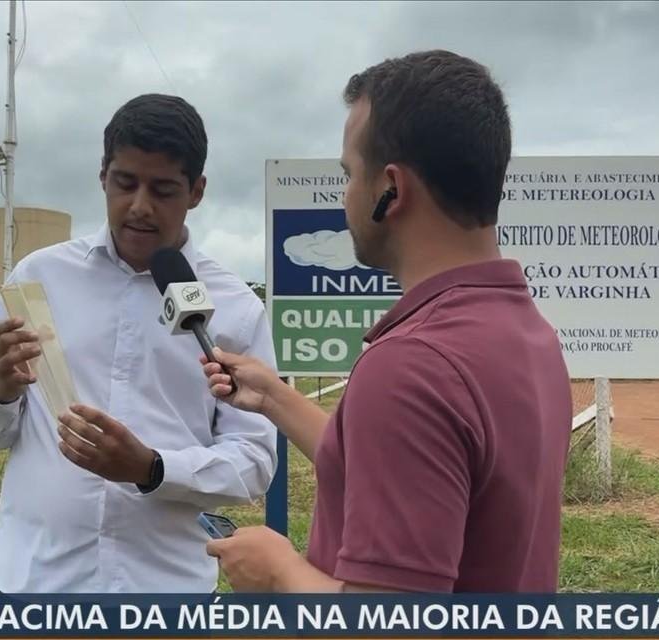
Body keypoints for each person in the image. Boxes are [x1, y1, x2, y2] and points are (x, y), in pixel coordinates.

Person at [202, 50, 572, 593]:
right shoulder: (526, 333)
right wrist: (273, 397)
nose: (346, 195)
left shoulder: (413, 367)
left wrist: (278, 572)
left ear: (391, 189)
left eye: (349, 174)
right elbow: (410, 466)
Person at [0, 94, 278, 593]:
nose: (140, 206)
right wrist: (1, 390)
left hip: (164, 592)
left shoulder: (234, 307)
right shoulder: (39, 279)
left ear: (197, 191)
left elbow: (254, 461)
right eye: (126, 183)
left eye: (163, 189)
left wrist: (152, 468)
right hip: (29, 584)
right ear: (103, 175)